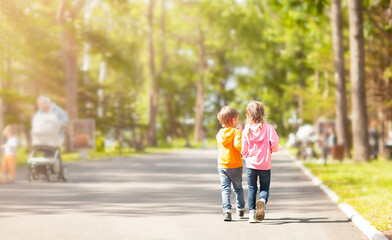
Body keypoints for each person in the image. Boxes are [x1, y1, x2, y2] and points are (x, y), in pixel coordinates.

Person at [241, 101, 279, 223]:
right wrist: (272, 150)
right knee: (265, 187)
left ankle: (252, 215)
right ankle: (262, 201)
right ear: (263, 113)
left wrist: (246, 156)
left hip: (251, 164)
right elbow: (275, 143)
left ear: (248, 114)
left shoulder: (247, 129)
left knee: (252, 188)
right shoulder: (269, 128)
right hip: (265, 164)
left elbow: (243, 148)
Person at [216, 106, 245, 221]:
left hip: (222, 165)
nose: (238, 121)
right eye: (237, 119)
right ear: (233, 120)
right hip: (235, 165)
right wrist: (245, 152)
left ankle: (227, 211)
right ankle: (240, 208)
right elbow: (238, 146)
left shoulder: (219, 133)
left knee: (225, 189)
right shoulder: (236, 132)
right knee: (238, 188)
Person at [32, 96, 68, 178]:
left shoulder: (57, 110)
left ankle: (58, 171)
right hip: (42, 138)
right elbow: (35, 122)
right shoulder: (39, 112)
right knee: (45, 153)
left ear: (47, 103)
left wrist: (58, 125)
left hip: (56, 135)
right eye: (40, 104)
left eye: (42, 104)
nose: (41, 106)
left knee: (55, 153)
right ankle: (45, 171)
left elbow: (65, 119)